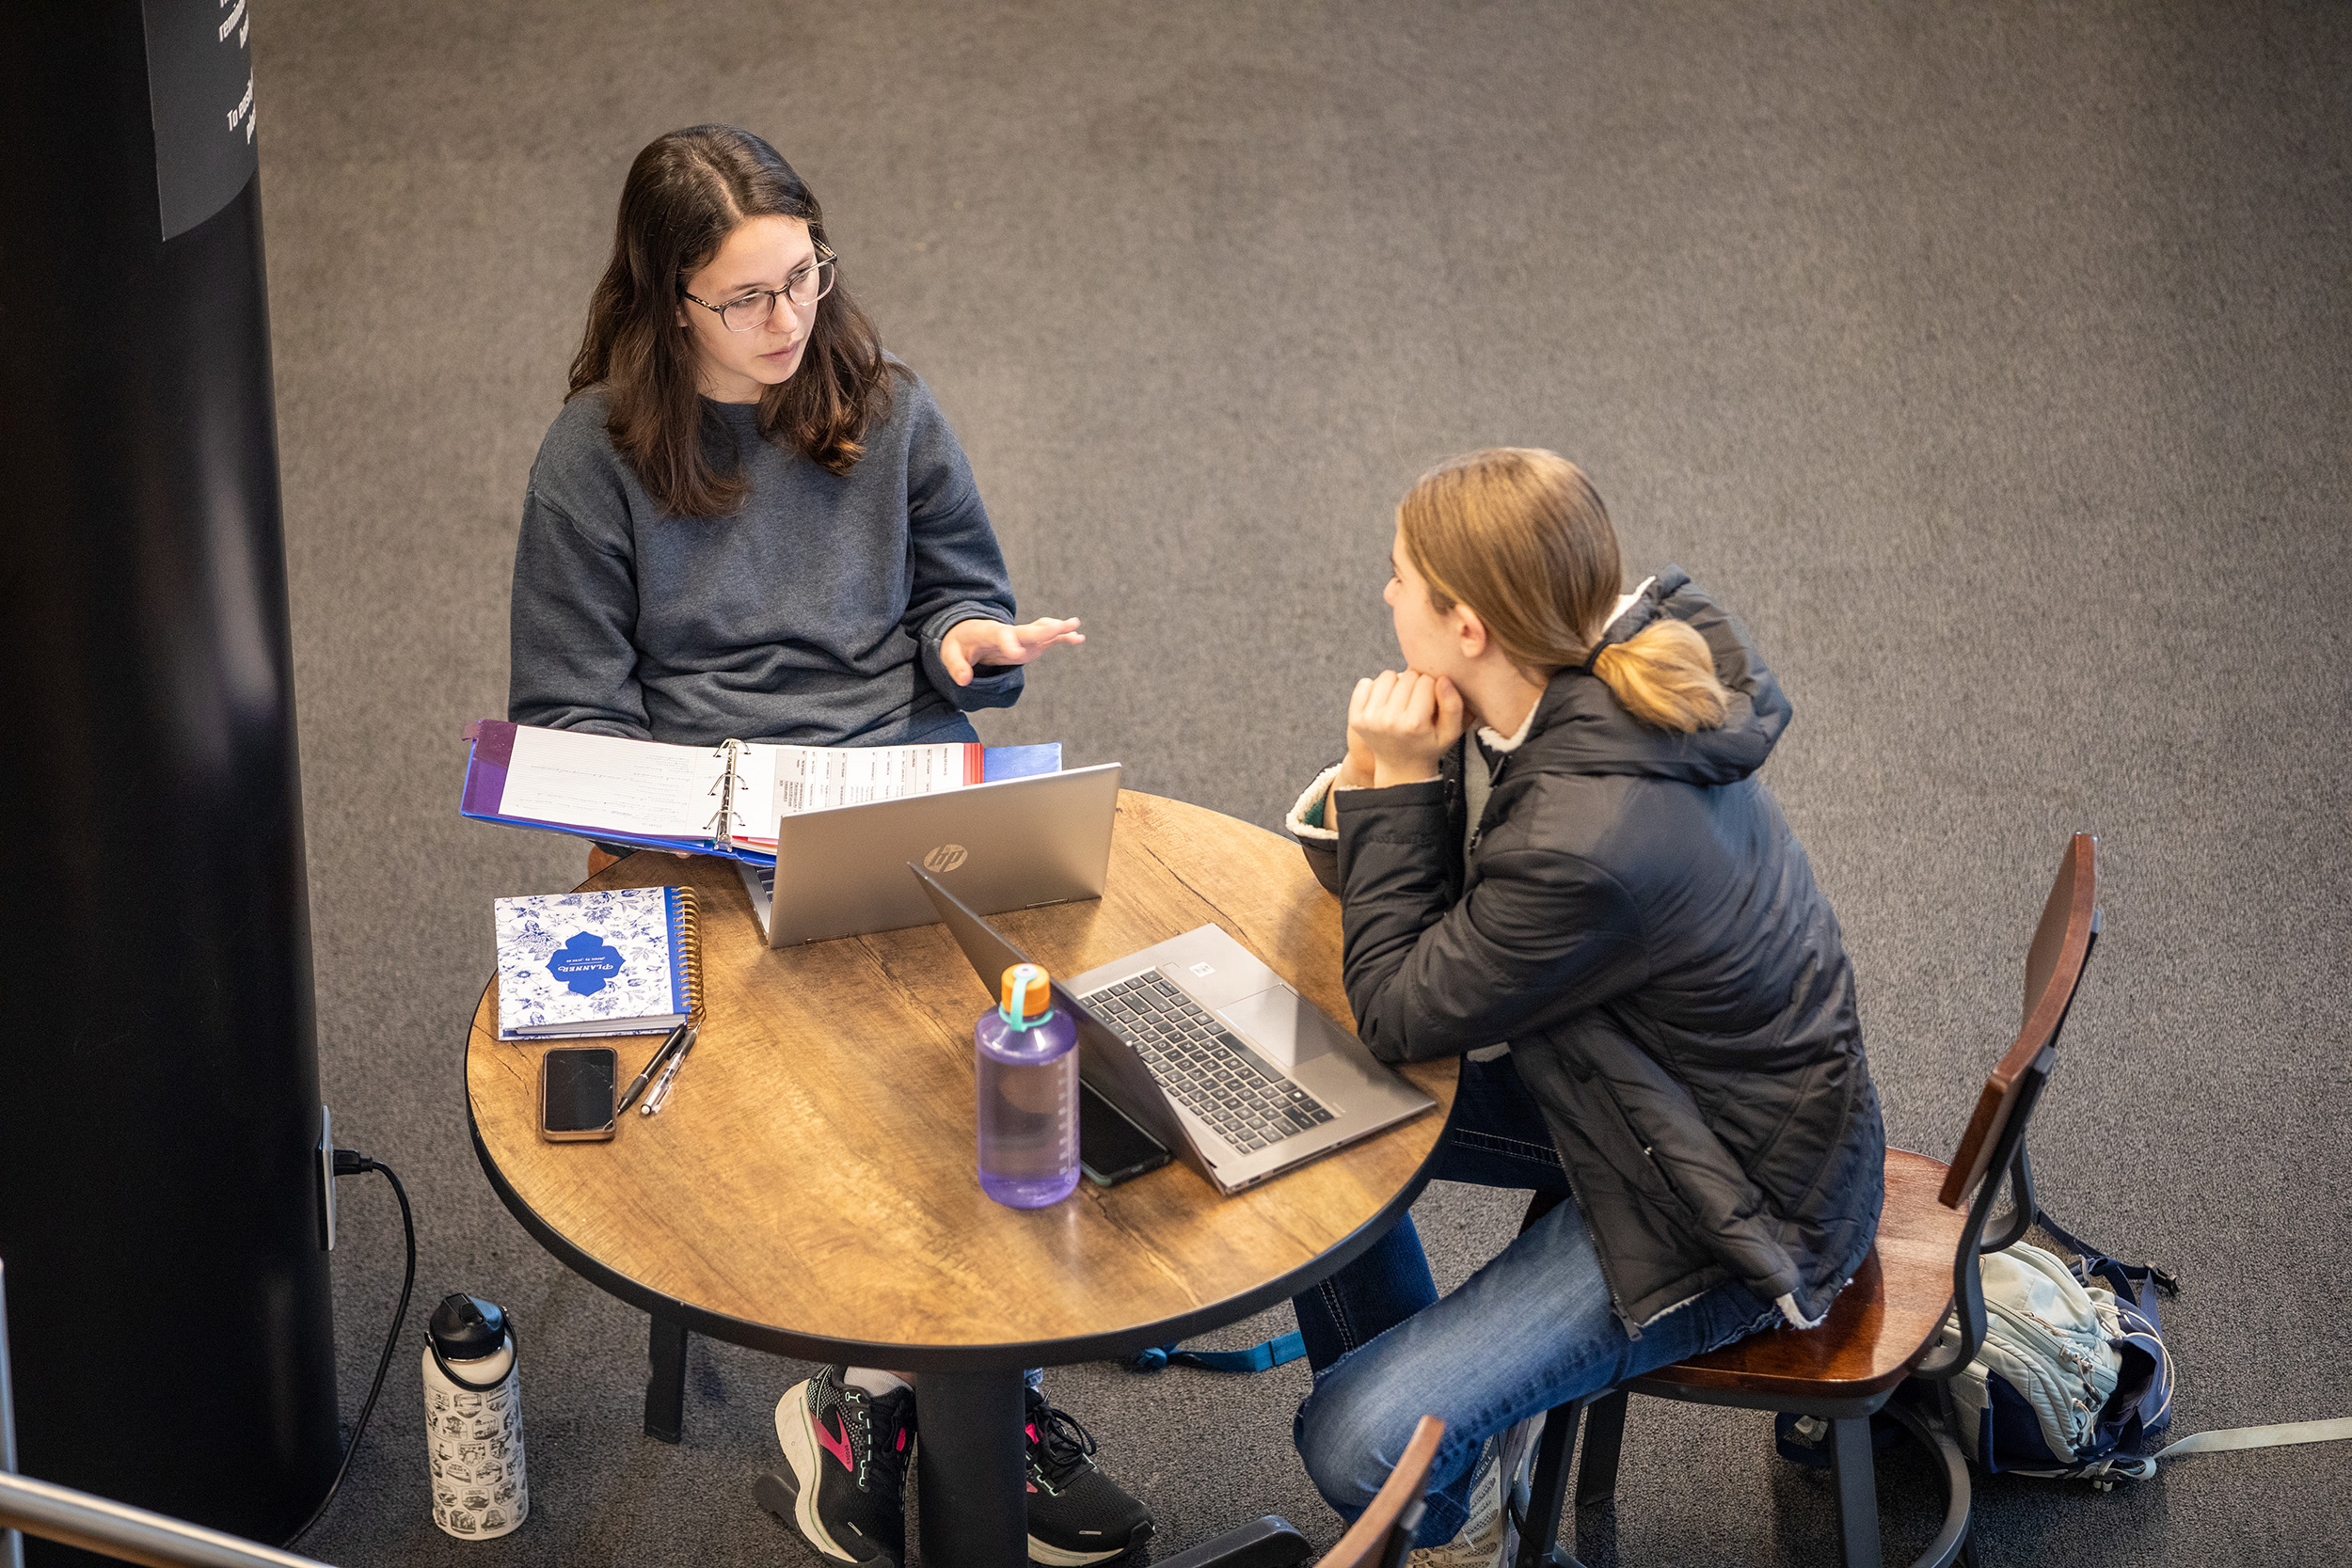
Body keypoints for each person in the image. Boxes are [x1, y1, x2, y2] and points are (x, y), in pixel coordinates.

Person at [508, 125, 1150, 1568]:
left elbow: (959, 599)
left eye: (805, 278)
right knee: (839, 1090)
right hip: (704, 829)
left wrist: (969, 643)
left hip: (904, 802)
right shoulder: (592, 457)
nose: (790, 322)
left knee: (1013, 1059)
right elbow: (567, 719)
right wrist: (698, 807)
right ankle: (952, 1391)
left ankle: (890, 1393)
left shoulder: (890, 407)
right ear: (672, 299)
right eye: (748, 299)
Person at [1279, 448, 1884, 1564]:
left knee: (1354, 1438)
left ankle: (1447, 1492)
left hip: (1724, 1210)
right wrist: (1386, 771)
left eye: (1399, 576)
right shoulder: (1577, 692)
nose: (1383, 595)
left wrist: (1402, 781)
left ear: (1469, 627)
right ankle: (1462, 1406)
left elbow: (1403, 1007)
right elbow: (1425, 922)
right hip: (1656, 1096)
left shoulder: (1584, 836)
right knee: (1295, 1095)